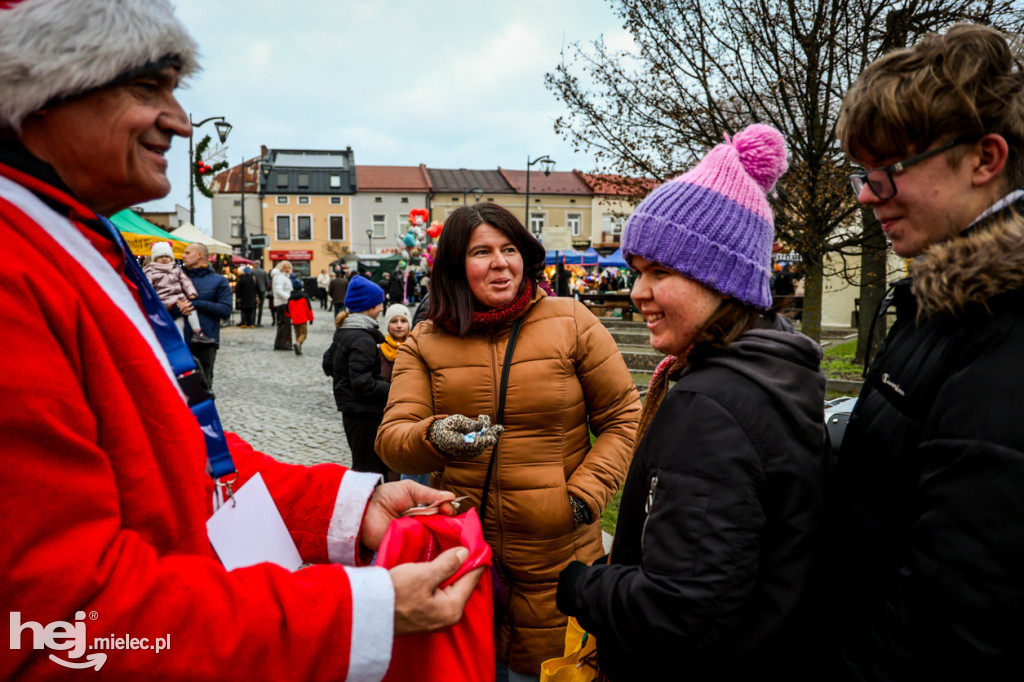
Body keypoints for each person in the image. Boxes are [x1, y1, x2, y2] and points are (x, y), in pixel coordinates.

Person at [0, 2, 483, 678]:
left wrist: (351, 506)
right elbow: (58, 625)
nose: (177, 119)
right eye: (147, 87)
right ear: (35, 87)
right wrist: (357, 609)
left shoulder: (67, 236)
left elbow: (184, 461)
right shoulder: (15, 267)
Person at [554, 125, 828, 681]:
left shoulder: (712, 407)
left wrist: (582, 586)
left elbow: (678, 612)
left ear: (720, 280)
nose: (637, 291)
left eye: (661, 272)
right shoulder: (771, 374)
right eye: (637, 271)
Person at [830, 23, 1024, 680]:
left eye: (888, 171)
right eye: (863, 171)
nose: (865, 194)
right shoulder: (946, 299)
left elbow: (953, 628)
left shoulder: (1001, 326)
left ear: (984, 158)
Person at [376, 202, 641, 679]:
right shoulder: (425, 340)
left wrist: (583, 496)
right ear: (456, 264)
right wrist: (434, 435)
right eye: (482, 251)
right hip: (465, 558)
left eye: (510, 248)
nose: (501, 263)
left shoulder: (573, 321)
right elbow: (393, 440)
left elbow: (624, 418)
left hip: (559, 562)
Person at [330, 275, 396, 479]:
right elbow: (363, 384)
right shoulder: (362, 339)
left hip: (352, 411)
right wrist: (393, 389)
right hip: (365, 415)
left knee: (364, 467)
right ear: (368, 306)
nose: (382, 308)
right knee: (369, 473)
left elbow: (327, 362)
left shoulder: (345, 330)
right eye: (379, 304)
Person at [142, 240, 215, 343]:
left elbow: (186, 282)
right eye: (160, 256)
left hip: (179, 300)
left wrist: (191, 293)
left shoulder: (176, 269)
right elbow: (147, 289)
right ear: (155, 258)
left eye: (167, 256)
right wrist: (151, 301)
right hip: (162, 302)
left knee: (183, 322)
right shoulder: (150, 271)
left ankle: (196, 334)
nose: (164, 258)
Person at [181, 242, 231, 387]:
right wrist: (179, 307)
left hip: (206, 343)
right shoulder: (178, 279)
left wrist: (196, 304)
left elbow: (225, 310)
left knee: (203, 388)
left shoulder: (218, 281)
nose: (183, 256)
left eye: (187, 252)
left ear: (200, 255)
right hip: (179, 342)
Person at [379, 303, 411, 382]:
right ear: (388, 325)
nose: (399, 325)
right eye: (394, 321)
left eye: (403, 321)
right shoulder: (380, 350)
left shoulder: (416, 349)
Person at [271, 260, 294, 350]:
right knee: (285, 324)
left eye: (288, 267)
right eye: (285, 267)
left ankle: (280, 343)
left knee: (283, 324)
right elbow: (278, 290)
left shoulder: (283, 277)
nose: (287, 269)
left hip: (283, 302)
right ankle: (285, 343)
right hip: (283, 303)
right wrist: (289, 298)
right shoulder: (280, 277)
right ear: (281, 268)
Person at [288, 279, 314, 355]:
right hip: (303, 318)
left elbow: (288, 309)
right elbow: (308, 308)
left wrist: (289, 316)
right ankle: (298, 343)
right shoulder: (304, 296)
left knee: (297, 333)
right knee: (303, 334)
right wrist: (311, 318)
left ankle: (298, 349)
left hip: (294, 319)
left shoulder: (290, 297)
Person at [251, 260, 269, 326]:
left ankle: (253, 321)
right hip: (262, 290)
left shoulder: (251, 271)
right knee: (260, 307)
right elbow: (267, 282)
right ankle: (259, 322)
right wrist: (265, 288)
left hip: (253, 291)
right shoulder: (264, 272)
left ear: (254, 264)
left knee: (254, 307)